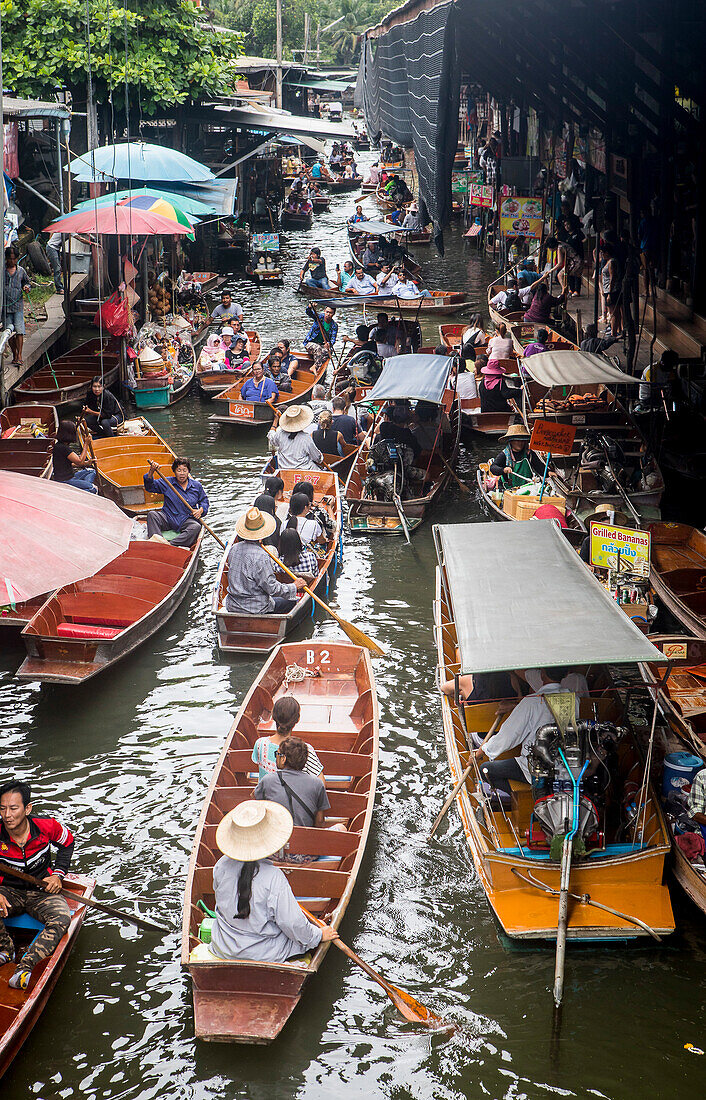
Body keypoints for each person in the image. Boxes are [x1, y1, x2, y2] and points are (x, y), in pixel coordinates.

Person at [207, 800, 337, 962]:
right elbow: (294, 924)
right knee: (303, 939)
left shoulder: (221, 865)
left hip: (224, 948)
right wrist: (318, 935)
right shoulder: (273, 877)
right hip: (266, 954)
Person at [0, 780, 75, 991]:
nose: (7, 815)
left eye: (14, 808)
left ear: (27, 809)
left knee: (61, 919)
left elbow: (68, 843)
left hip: (42, 891)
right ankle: (5, 950)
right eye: (2, 809)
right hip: (8, 891)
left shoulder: (46, 826)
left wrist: (58, 875)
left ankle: (26, 966)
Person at [474, 668, 568, 794]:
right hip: (563, 763)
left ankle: (523, 795)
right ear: (566, 675)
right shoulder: (572, 698)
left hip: (534, 766)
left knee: (485, 769)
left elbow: (508, 736)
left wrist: (481, 753)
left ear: (542, 674)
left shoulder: (531, 701)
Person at [225, 507, 306, 615]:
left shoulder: (234, 548)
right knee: (291, 601)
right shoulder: (262, 556)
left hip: (233, 605)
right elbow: (272, 589)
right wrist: (293, 586)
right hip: (257, 608)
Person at [253, 738, 330, 828]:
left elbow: (256, 805)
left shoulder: (268, 780)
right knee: (341, 827)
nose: (276, 757)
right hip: (304, 836)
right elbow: (319, 822)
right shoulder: (317, 784)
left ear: (283, 759)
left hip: (277, 836)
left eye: (277, 754)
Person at [143, 457, 208, 547]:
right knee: (152, 515)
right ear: (174, 472)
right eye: (179, 470)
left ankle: (168, 545)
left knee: (196, 527)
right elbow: (150, 487)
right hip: (168, 517)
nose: (182, 473)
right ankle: (157, 540)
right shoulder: (167, 482)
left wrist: (200, 510)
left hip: (186, 519)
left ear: (188, 471)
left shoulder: (196, 486)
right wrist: (151, 471)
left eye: (184, 470)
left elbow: (204, 501)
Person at [251, 696, 322, 779]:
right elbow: (321, 782)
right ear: (297, 719)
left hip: (266, 792)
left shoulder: (260, 743)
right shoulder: (305, 749)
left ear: (273, 717)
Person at [268, 405, 324, 471]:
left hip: (283, 469)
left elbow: (271, 437)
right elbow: (317, 458)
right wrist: (320, 456)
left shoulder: (280, 433)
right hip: (303, 469)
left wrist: (275, 421)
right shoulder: (305, 437)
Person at [51, 420, 98, 493]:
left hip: (71, 476)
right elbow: (79, 461)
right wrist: (86, 444)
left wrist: (87, 463)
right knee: (93, 488)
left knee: (91, 471)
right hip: (65, 480)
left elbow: (69, 464)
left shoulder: (61, 445)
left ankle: (82, 486)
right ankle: (82, 489)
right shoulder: (62, 447)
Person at [4, 246, 31, 367]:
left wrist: (26, 288)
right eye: (10, 259)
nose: (12, 261)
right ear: (6, 259)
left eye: (14, 259)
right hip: (5, 307)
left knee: (20, 331)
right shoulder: (2, 271)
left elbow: (27, 282)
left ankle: (19, 355)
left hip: (18, 306)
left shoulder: (21, 271)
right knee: (8, 332)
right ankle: (14, 353)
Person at [635, 349, 679, 414]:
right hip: (648, 398)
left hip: (662, 396)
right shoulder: (651, 371)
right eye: (670, 366)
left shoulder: (669, 370)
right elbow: (654, 390)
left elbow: (672, 383)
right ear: (663, 363)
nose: (671, 368)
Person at [600, 242, 623, 337]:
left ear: (607, 252)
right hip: (608, 290)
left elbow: (612, 278)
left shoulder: (612, 262)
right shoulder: (609, 261)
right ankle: (615, 330)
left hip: (612, 291)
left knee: (613, 313)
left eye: (602, 253)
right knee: (614, 312)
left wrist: (609, 293)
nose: (601, 255)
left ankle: (613, 333)